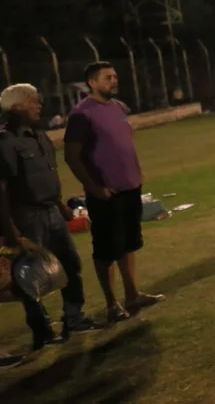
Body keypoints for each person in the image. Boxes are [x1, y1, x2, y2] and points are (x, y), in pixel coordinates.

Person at [0, 84, 102, 349]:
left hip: (51, 212)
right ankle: (41, 330)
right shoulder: (6, 141)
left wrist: (62, 206)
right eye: (33, 101)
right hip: (27, 217)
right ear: (17, 106)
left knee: (70, 264)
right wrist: (11, 231)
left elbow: (48, 174)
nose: (39, 105)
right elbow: (2, 190)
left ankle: (74, 318)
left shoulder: (39, 136)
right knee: (30, 275)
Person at [63, 62, 163, 323]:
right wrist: (95, 188)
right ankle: (112, 302)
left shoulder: (119, 107)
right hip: (106, 193)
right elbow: (72, 157)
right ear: (92, 83)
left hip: (130, 187)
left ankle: (132, 294)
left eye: (115, 76)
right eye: (108, 77)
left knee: (129, 244)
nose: (114, 81)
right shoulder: (81, 114)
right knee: (106, 249)